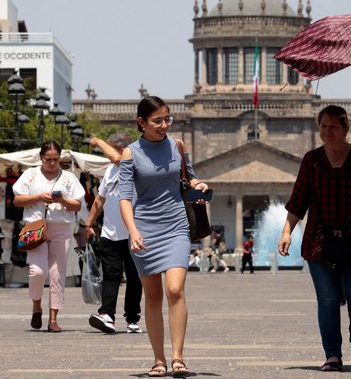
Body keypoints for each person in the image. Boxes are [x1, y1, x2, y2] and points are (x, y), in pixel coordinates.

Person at [278, 105, 351, 372]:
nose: (328, 131)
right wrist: (287, 231)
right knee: (327, 300)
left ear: (346, 129)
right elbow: (298, 199)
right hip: (320, 242)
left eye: (334, 126)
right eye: (323, 126)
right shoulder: (311, 160)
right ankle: (332, 354)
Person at [119, 95, 208, 378]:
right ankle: (159, 360)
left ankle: (178, 357)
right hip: (145, 229)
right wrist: (132, 231)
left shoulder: (177, 145)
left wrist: (199, 184)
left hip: (176, 226)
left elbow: (189, 177)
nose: (164, 125)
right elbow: (124, 197)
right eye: (157, 120)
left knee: (174, 289)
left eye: (167, 119)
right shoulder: (130, 154)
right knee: (153, 295)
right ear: (141, 122)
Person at [13, 140, 85, 332]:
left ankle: (53, 318)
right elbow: (18, 200)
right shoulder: (30, 174)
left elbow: (77, 205)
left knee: (56, 273)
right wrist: (38, 197)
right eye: (48, 159)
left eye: (55, 159)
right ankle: (36, 307)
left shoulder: (68, 177)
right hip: (35, 226)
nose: (52, 163)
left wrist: (62, 200)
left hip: (61, 227)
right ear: (41, 158)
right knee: (37, 271)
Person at [85, 134, 143, 334]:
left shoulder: (134, 165)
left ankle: (132, 318)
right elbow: (100, 199)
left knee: (135, 277)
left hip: (133, 233)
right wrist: (89, 224)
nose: (106, 154)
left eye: (109, 149)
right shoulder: (110, 171)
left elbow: (118, 159)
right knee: (111, 274)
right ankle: (107, 314)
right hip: (110, 233)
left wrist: (98, 141)